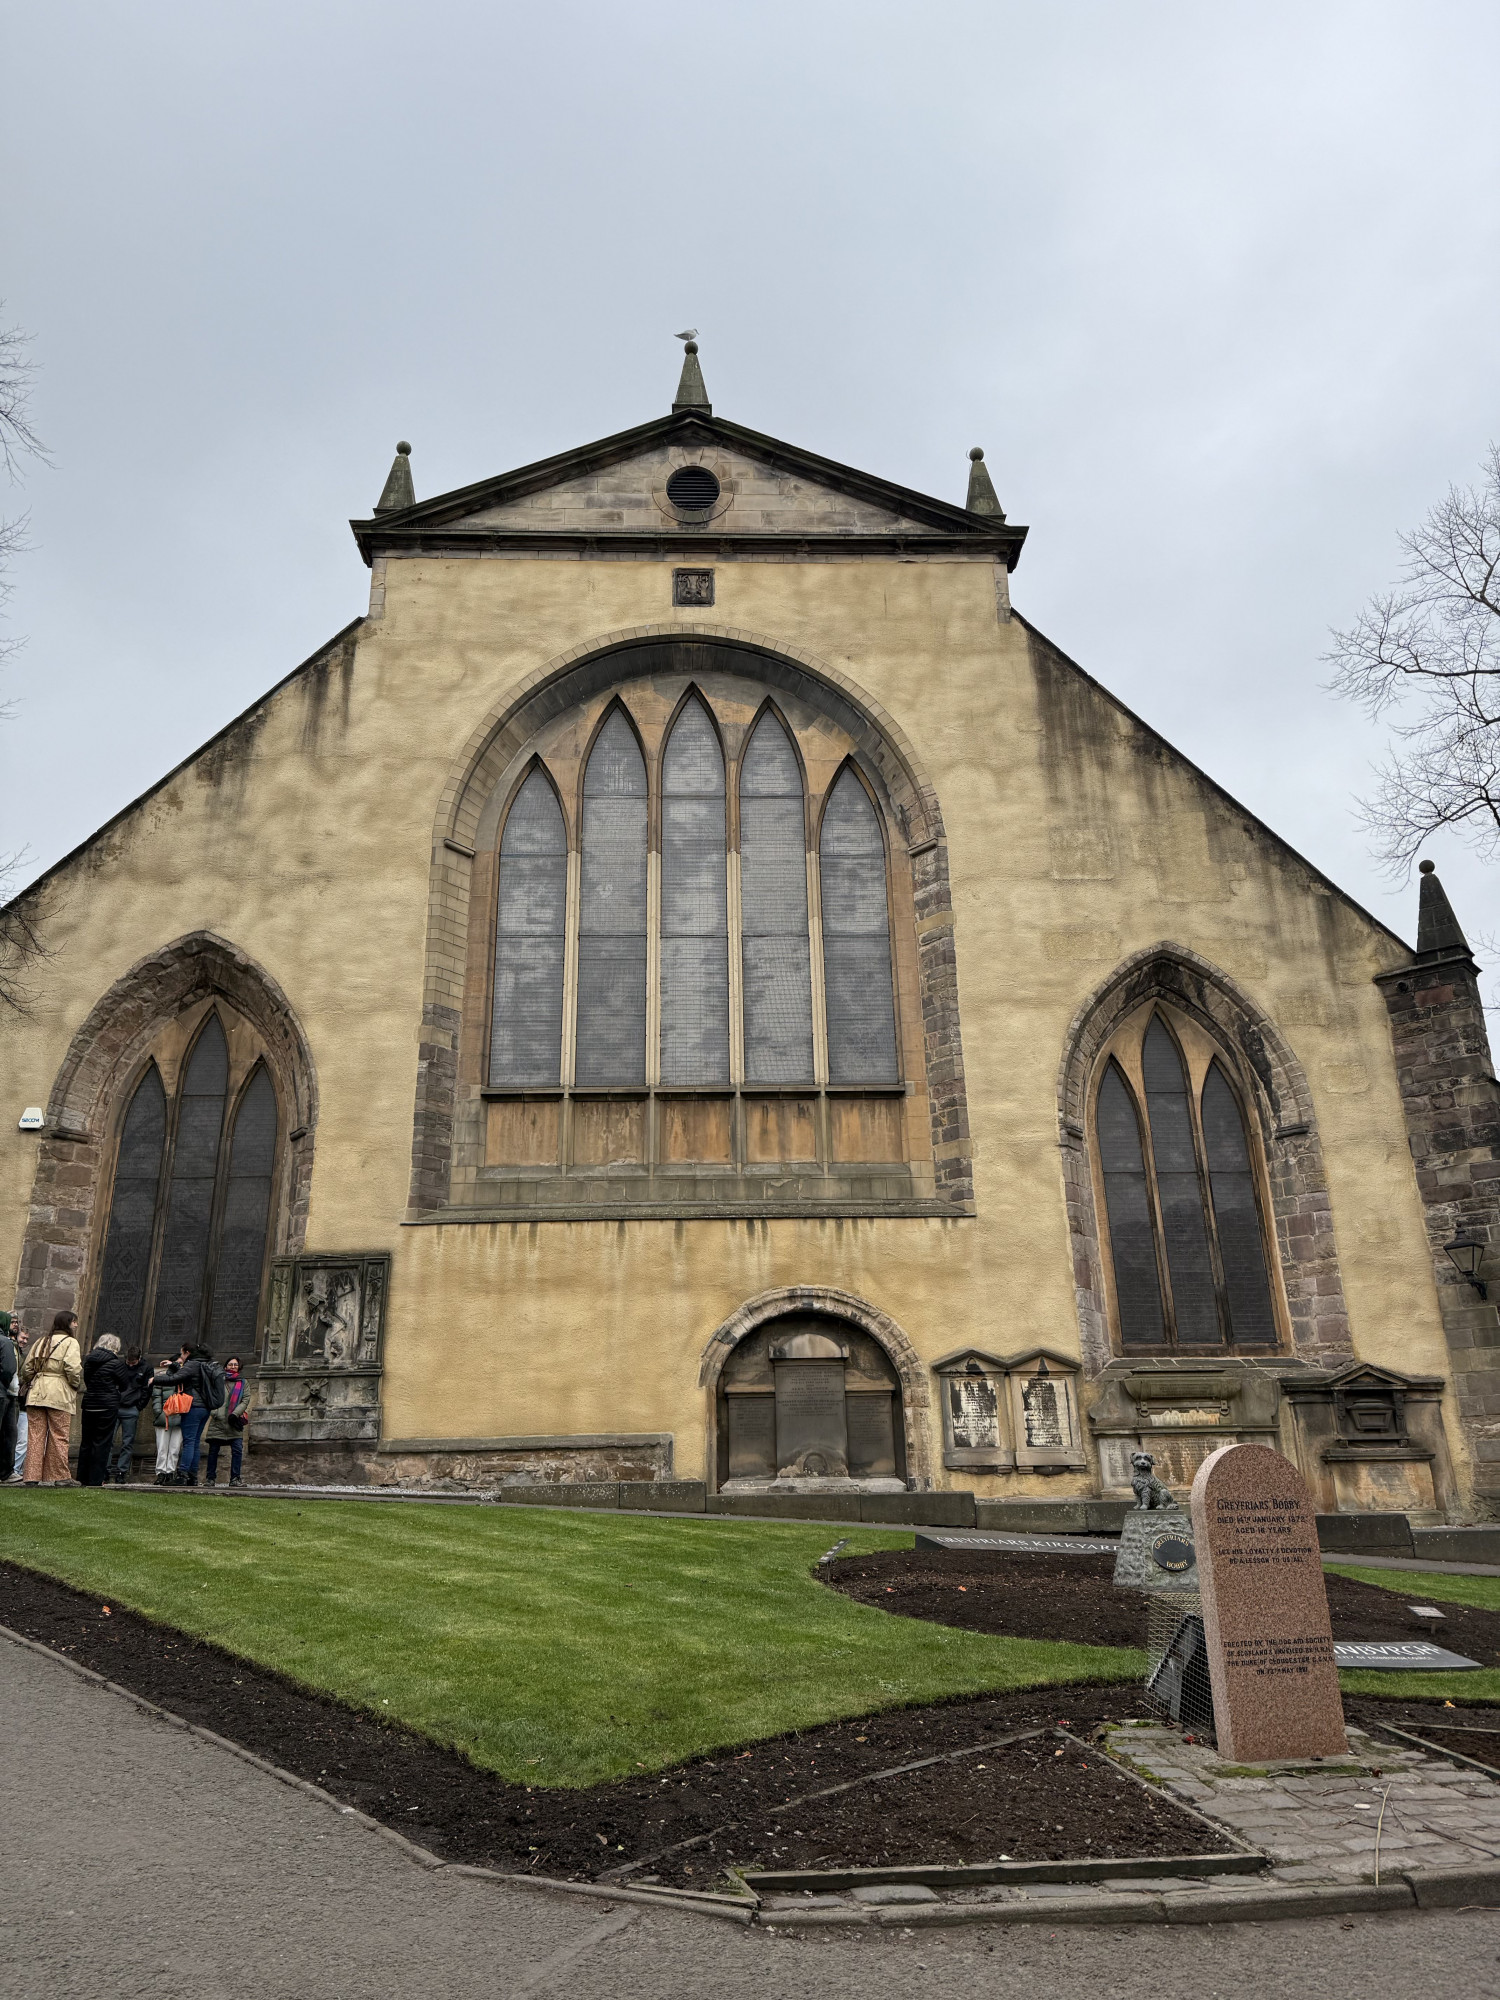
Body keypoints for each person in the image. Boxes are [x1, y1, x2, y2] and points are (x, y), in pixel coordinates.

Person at [20, 1311, 84, 1485]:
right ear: (68, 1323)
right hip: (59, 1392)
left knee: (35, 1435)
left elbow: (26, 1369)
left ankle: (31, 1476)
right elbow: (73, 1369)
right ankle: (59, 1476)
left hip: (36, 1392)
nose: (76, 1325)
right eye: (74, 1322)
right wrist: (75, 1384)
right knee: (59, 1435)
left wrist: (33, 1380)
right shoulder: (71, 1343)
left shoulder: (41, 1341)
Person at [158, 1344, 224, 1486]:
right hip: (204, 1408)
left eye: (181, 1353)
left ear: (187, 1352)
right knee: (194, 1443)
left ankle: (182, 1474)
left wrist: (154, 1380)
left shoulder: (193, 1364)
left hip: (192, 1406)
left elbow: (173, 1379)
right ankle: (192, 1476)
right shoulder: (205, 1364)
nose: (180, 1356)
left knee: (188, 1442)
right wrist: (176, 1365)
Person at [78, 1333, 133, 1487]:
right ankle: (96, 1479)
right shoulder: (116, 1363)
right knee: (102, 1443)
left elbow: (88, 1380)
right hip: (107, 1405)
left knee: (87, 1442)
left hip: (89, 1403)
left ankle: (83, 1477)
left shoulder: (89, 1361)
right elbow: (124, 1385)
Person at [108, 1346, 155, 1484]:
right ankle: (106, 1468)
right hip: (116, 1405)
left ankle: (121, 1471)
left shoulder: (146, 1367)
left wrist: (139, 1406)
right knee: (108, 1440)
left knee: (127, 1442)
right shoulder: (120, 1365)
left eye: (133, 1363)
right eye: (128, 1362)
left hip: (132, 1408)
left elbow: (147, 1389)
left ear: (139, 1359)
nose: (130, 1364)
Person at [204, 1356, 250, 1487]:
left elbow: (245, 1400)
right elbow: (211, 1397)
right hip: (218, 1422)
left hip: (234, 1422)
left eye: (236, 1365)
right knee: (213, 1451)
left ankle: (235, 1478)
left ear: (239, 1367)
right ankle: (210, 1478)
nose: (233, 1367)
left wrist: (235, 1414)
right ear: (225, 1366)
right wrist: (215, 1412)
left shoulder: (243, 1383)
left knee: (237, 1450)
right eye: (231, 1364)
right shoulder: (218, 1380)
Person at [151, 1359, 184, 1485]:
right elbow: (156, 1397)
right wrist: (159, 1413)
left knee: (175, 1448)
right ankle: (160, 1472)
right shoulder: (162, 1379)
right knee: (162, 1447)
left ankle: (170, 1471)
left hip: (179, 1416)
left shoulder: (184, 1381)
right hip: (163, 1416)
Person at [0, 1311, 19, 1484]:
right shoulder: (5, 1342)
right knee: (8, 1433)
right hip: (3, 1393)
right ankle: (5, 1473)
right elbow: (8, 1369)